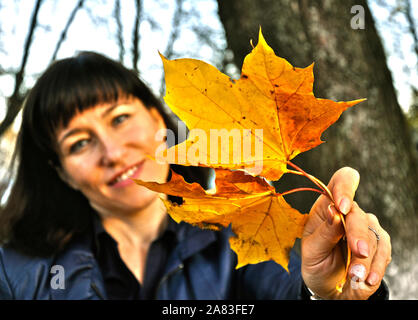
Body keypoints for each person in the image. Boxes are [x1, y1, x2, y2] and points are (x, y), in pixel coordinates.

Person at [0, 52, 391, 300]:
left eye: (120, 119)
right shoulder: (15, 273)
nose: (113, 153)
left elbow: (294, 291)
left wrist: (329, 294)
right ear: (62, 173)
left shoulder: (244, 235)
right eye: (79, 143)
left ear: (159, 118)